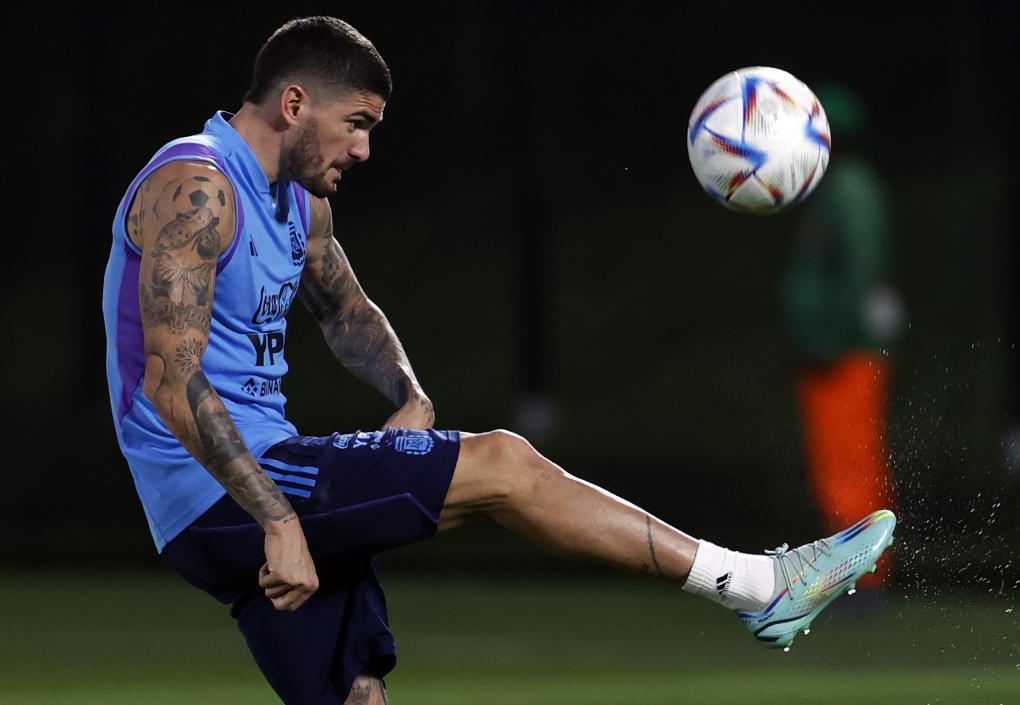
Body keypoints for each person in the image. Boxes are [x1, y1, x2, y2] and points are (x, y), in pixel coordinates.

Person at [101, 17, 896, 705]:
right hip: (223, 490)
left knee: (354, 691)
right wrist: (275, 517)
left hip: (250, 485)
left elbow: (346, 309)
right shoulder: (197, 185)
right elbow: (171, 380)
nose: (365, 148)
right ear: (295, 103)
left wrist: (407, 391)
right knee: (505, 466)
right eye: (356, 123)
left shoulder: (300, 202)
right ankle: (758, 586)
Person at [780, 83, 904, 589]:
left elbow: (862, 272)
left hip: (845, 351)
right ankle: (852, 577)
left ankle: (864, 580)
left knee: (852, 466)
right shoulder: (836, 188)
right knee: (839, 466)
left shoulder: (851, 189)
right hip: (833, 349)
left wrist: (829, 338)